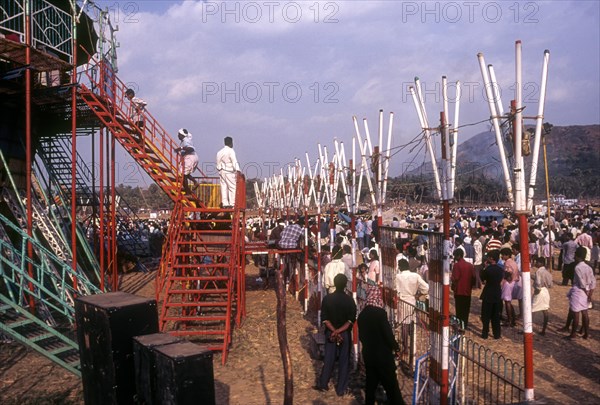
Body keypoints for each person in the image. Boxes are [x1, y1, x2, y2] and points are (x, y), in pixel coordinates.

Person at [357, 284, 406, 405]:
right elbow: (387, 334)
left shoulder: (362, 316)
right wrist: (396, 347)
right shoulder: (380, 314)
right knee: (391, 386)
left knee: (371, 385)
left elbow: (362, 337)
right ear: (378, 296)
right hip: (383, 356)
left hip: (369, 355)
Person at [314, 274, 357, 396]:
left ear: (334, 283)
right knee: (344, 361)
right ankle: (341, 389)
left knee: (329, 358)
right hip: (344, 333)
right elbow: (350, 321)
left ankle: (323, 384)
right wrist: (339, 331)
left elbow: (325, 318)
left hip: (330, 332)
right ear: (345, 285)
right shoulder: (349, 300)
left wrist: (334, 331)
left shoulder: (327, 299)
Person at [395, 258, 429, 353]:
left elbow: (395, 289)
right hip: (412, 301)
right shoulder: (415, 276)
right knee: (412, 323)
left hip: (402, 302)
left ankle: (405, 347)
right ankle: (412, 346)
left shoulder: (398, 276)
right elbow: (426, 287)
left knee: (404, 326)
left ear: (400, 267)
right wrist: (420, 295)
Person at [562, 247, 595, 339]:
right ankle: (586, 333)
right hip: (587, 290)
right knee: (585, 312)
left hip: (579, 291)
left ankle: (573, 334)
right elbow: (593, 281)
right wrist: (590, 294)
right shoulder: (589, 267)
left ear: (578, 256)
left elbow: (581, 282)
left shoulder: (577, 267)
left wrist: (586, 292)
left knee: (576, 313)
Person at [480, 250, 504, 339]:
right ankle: (497, 334)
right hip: (497, 292)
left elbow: (483, 279)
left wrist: (485, 268)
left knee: (486, 315)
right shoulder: (500, 269)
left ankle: (485, 333)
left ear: (491, 258)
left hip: (488, 292)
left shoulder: (488, 270)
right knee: (496, 316)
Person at [451, 248, 475, 329]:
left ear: (458, 256)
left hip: (459, 290)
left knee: (459, 309)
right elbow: (473, 278)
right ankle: (465, 324)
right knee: (466, 309)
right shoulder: (470, 265)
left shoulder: (457, 265)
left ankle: (460, 324)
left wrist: (453, 286)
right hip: (467, 291)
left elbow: (455, 278)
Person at [216, 136, 240, 208]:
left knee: (224, 187)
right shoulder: (231, 150)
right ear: (231, 143)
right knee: (232, 187)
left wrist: (220, 169)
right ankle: (232, 204)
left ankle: (225, 203)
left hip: (221, 171)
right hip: (229, 171)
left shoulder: (219, 152)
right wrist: (238, 170)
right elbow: (234, 161)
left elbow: (218, 163)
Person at [531, 256, 552, 335]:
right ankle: (544, 330)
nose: (536, 263)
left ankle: (529, 328)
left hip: (539, 291)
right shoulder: (547, 272)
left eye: (537, 262)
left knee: (532, 309)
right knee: (545, 310)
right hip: (545, 291)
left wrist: (536, 290)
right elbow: (550, 284)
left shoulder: (539, 272)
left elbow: (538, 283)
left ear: (541, 263)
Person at [174, 128, 199, 194]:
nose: (178, 136)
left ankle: (188, 192)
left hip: (190, 157)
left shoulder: (185, 140)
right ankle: (194, 182)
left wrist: (181, 148)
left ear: (182, 135)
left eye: (179, 134)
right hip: (190, 157)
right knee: (185, 174)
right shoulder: (184, 141)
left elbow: (191, 149)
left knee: (183, 175)